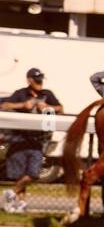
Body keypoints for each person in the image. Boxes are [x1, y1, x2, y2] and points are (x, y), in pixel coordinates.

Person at [1, 68, 64, 212]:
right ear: (29, 80)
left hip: (37, 140)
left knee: (34, 173)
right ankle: (21, 203)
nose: (40, 83)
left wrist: (47, 107)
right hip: (19, 138)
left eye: (41, 80)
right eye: (37, 80)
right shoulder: (20, 94)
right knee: (20, 174)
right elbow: (5, 105)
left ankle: (11, 193)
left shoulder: (47, 94)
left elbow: (60, 108)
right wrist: (22, 105)